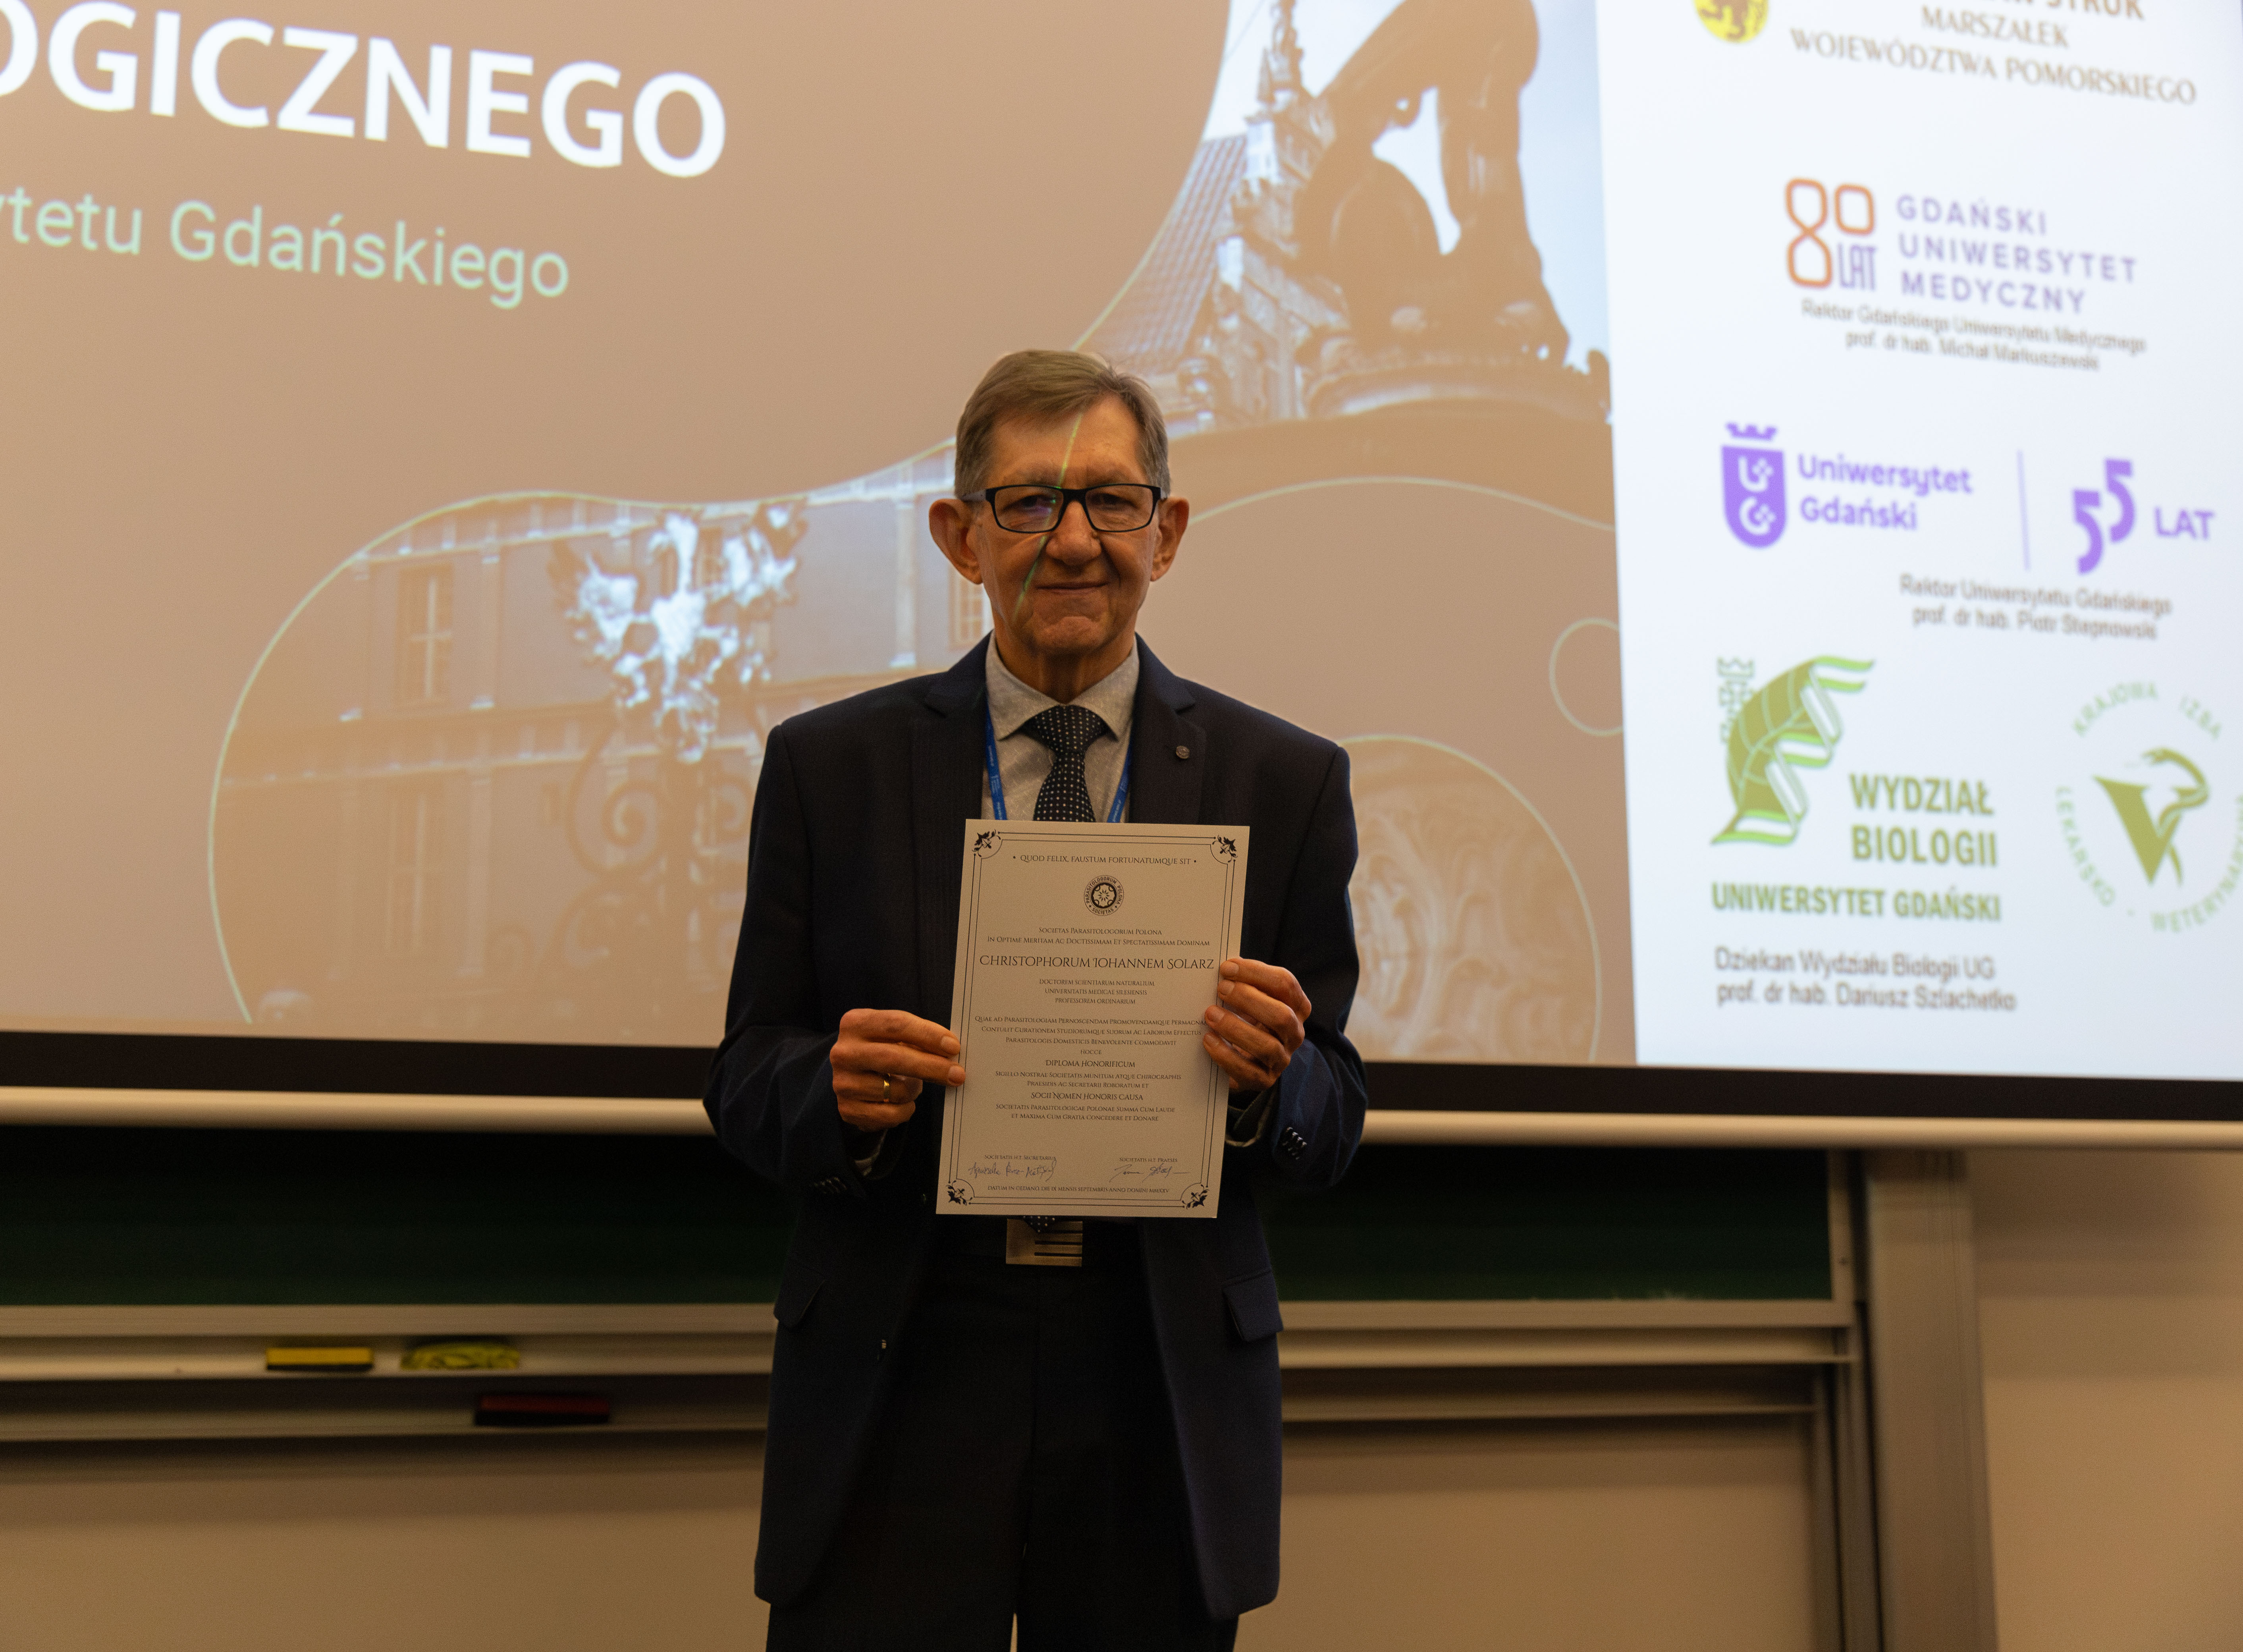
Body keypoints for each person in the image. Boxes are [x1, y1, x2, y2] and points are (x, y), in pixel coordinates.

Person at [706, 350, 1367, 1650]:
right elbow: (743, 1078)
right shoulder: (830, 769)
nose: (1073, 542)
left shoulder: (1283, 780)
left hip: (1154, 1381)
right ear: (961, 537)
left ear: (1167, 533)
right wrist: (830, 1093)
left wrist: (1267, 1081)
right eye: (1027, 503)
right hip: (905, 1364)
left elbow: (1332, 1108)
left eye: (1112, 501)